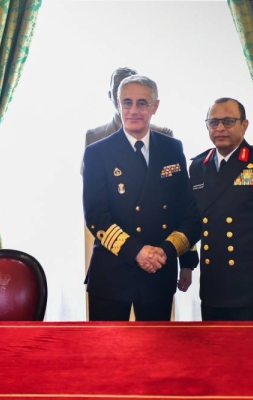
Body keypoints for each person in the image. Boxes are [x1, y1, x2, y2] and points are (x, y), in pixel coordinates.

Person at [82, 75, 200, 321]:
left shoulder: (173, 148)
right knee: (107, 353)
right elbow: (96, 215)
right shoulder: (97, 153)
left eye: (142, 103)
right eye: (127, 103)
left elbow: (185, 210)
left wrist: (185, 260)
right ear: (118, 104)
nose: (133, 110)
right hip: (112, 272)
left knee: (157, 353)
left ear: (155, 106)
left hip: (159, 268)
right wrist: (137, 252)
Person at [188, 97, 253, 321]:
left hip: (252, 290)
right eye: (213, 122)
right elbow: (193, 223)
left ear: (244, 125)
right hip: (212, 286)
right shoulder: (199, 166)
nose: (220, 128)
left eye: (228, 121)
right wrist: (186, 265)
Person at [85, 67, 173, 147]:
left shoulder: (164, 135)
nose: (122, 93)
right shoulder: (93, 137)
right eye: (117, 88)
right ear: (110, 95)